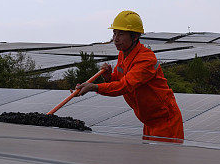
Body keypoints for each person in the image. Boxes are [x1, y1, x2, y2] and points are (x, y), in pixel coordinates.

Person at [75, 10, 184, 143]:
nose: (115, 39)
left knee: (163, 162)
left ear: (135, 36)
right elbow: (119, 80)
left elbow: (125, 86)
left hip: (166, 121)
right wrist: (109, 77)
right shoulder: (123, 54)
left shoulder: (146, 59)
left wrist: (94, 87)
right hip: (149, 121)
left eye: (121, 34)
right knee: (150, 161)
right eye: (114, 33)